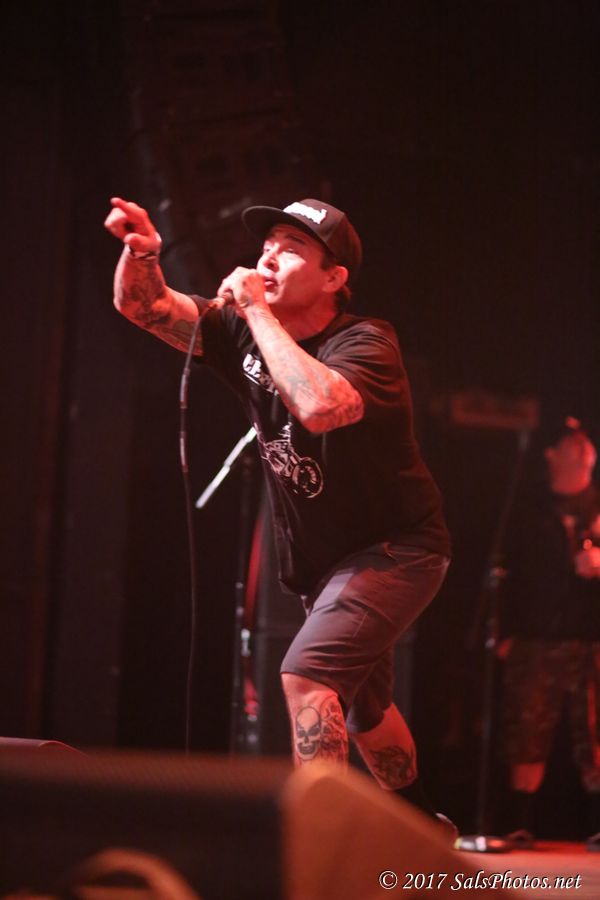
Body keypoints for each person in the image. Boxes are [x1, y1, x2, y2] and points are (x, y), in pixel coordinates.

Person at [104, 195, 452, 826]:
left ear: (334, 277)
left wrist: (258, 311)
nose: (268, 256)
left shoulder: (366, 342)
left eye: (292, 249)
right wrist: (143, 254)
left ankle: (320, 846)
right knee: (365, 709)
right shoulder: (242, 329)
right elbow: (144, 307)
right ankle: (428, 828)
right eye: (266, 245)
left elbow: (319, 406)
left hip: (397, 550)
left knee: (307, 674)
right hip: (324, 562)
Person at [499, 418, 600, 848]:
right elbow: (508, 573)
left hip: (592, 638)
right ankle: (521, 823)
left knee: (594, 733)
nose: (580, 444)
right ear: (551, 454)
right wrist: (505, 633)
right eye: (569, 440)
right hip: (536, 637)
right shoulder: (529, 508)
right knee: (528, 730)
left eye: (584, 439)